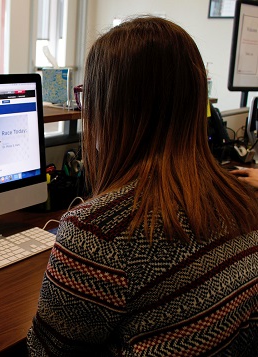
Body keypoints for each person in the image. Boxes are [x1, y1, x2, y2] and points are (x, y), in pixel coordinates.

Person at [27, 16, 258, 356]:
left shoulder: (98, 233)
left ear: (111, 107)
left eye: (88, 95)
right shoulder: (242, 198)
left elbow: (45, 352)